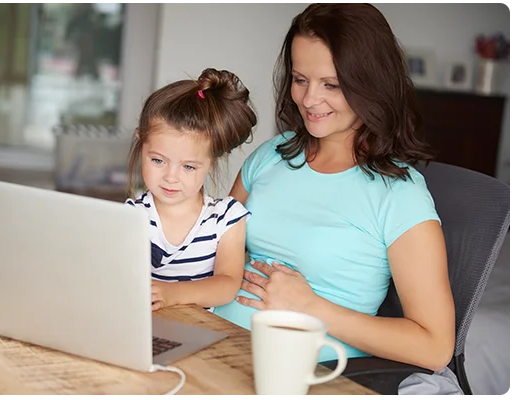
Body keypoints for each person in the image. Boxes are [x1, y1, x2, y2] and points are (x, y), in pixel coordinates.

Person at [213, 2, 456, 374]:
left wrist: (312, 306)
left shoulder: (400, 196)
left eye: (332, 85)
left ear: (370, 85)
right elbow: (210, 246)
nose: (310, 100)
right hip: (213, 344)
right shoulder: (271, 156)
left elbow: (435, 347)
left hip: (299, 376)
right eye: (300, 79)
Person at [126, 68, 257, 311]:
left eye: (188, 166)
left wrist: (171, 294)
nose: (170, 177)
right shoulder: (132, 215)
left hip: (199, 331)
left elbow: (227, 285)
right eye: (158, 161)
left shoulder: (225, 218)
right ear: (141, 143)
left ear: (212, 161)